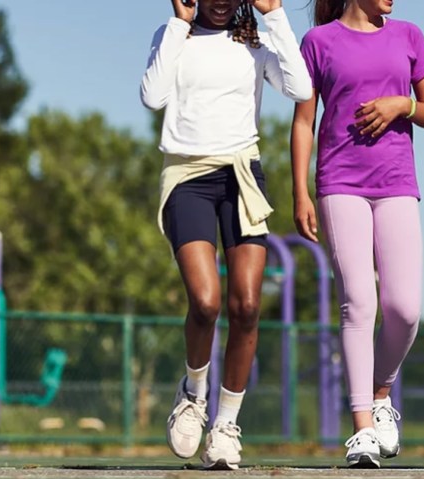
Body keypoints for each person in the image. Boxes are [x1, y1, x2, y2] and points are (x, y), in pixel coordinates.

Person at [140, 0, 311, 469]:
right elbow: (153, 97)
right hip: (188, 176)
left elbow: (300, 86)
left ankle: (226, 424)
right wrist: (178, 23)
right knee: (206, 301)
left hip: (242, 175)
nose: (220, 2)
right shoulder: (173, 35)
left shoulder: (253, 40)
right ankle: (193, 395)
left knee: (248, 305)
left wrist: (275, 14)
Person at [290, 0, 424, 468]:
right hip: (339, 184)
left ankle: (381, 392)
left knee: (405, 308)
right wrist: (300, 191)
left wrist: (404, 105)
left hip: (397, 183)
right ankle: (361, 431)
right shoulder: (318, 42)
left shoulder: (410, 36)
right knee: (359, 301)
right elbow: (303, 122)